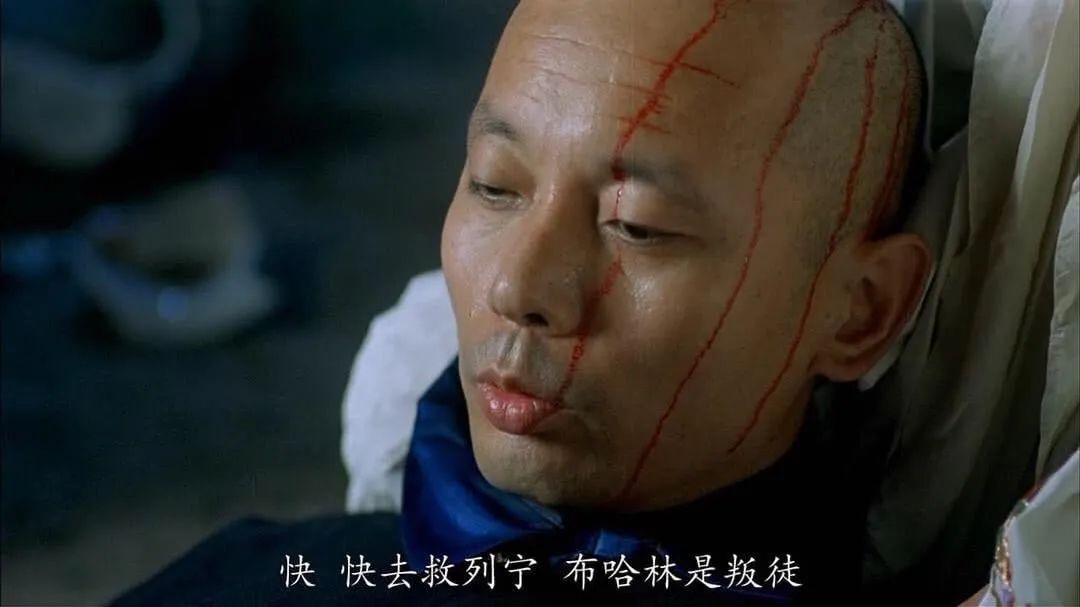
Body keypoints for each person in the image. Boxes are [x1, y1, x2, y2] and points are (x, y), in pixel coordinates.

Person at [113, 0, 933, 604]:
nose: (516, 287)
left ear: (859, 311)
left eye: (638, 225)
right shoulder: (256, 576)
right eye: (495, 185)